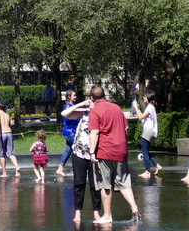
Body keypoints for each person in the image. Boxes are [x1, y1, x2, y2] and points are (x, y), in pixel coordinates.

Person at [88, 84, 141, 223]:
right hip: (121, 150)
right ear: (104, 95)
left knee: (105, 184)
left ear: (92, 98)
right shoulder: (117, 108)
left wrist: (92, 152)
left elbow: (94, 133)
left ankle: (107, 216)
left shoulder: (95, 111)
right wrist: (125, 144)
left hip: (104, 151)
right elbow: (126, 128)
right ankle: (134, 207)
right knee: (124, 182)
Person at [62, 94, 103, 224]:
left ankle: (96, 212)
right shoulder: (83, 113)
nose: (91, 102)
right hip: (79, 153)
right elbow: (65, 113)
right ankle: (78, 212)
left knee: (94, 184)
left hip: (94, 153)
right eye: (90, 100)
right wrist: (81, 104)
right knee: (78, 184)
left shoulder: (100, 114)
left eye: (93, 100)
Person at [0, 102, 20, 177]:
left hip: (2, 134)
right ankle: (17, 168)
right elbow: (7, 126)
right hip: (9, 133)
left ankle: (4, 173)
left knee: (2, 154)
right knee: (11, 153)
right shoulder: (7, 115)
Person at [55, 89, 80, 177]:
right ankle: (79, 169)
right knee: (77, 149)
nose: (75, 97)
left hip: (71, 131)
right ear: (69, 97)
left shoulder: (72, 106)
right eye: (74, 95)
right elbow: (68, 118)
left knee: (68, 150)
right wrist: (77, 117)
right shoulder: (68, 106)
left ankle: (60, 168)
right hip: (70, 132)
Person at [137, 89, 162, 178]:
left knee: (144, 152)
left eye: (144, 96)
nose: (143, 97)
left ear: (148, 97)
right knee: (145, 151)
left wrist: (136, 108)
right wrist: (139, 109)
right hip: (151, 131)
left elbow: (140, 117)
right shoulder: (151, 107)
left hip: (148, 131)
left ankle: (147, 172)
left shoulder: (150, 107)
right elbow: (142, 117)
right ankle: (157, 165)